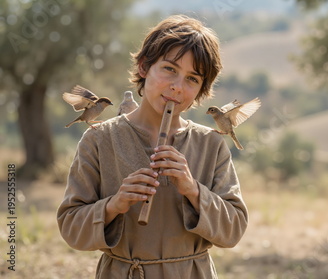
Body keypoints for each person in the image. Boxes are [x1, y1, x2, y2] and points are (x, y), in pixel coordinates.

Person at [57, 15, 248, 279]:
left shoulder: (210, 144)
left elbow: (234, 230)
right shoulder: (99, 139)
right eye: (169, 69)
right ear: (144, 67)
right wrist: (114, 205)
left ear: (201, 89)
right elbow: (71, 228)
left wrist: (193, 190)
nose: (177, 87)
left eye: (192, 79)